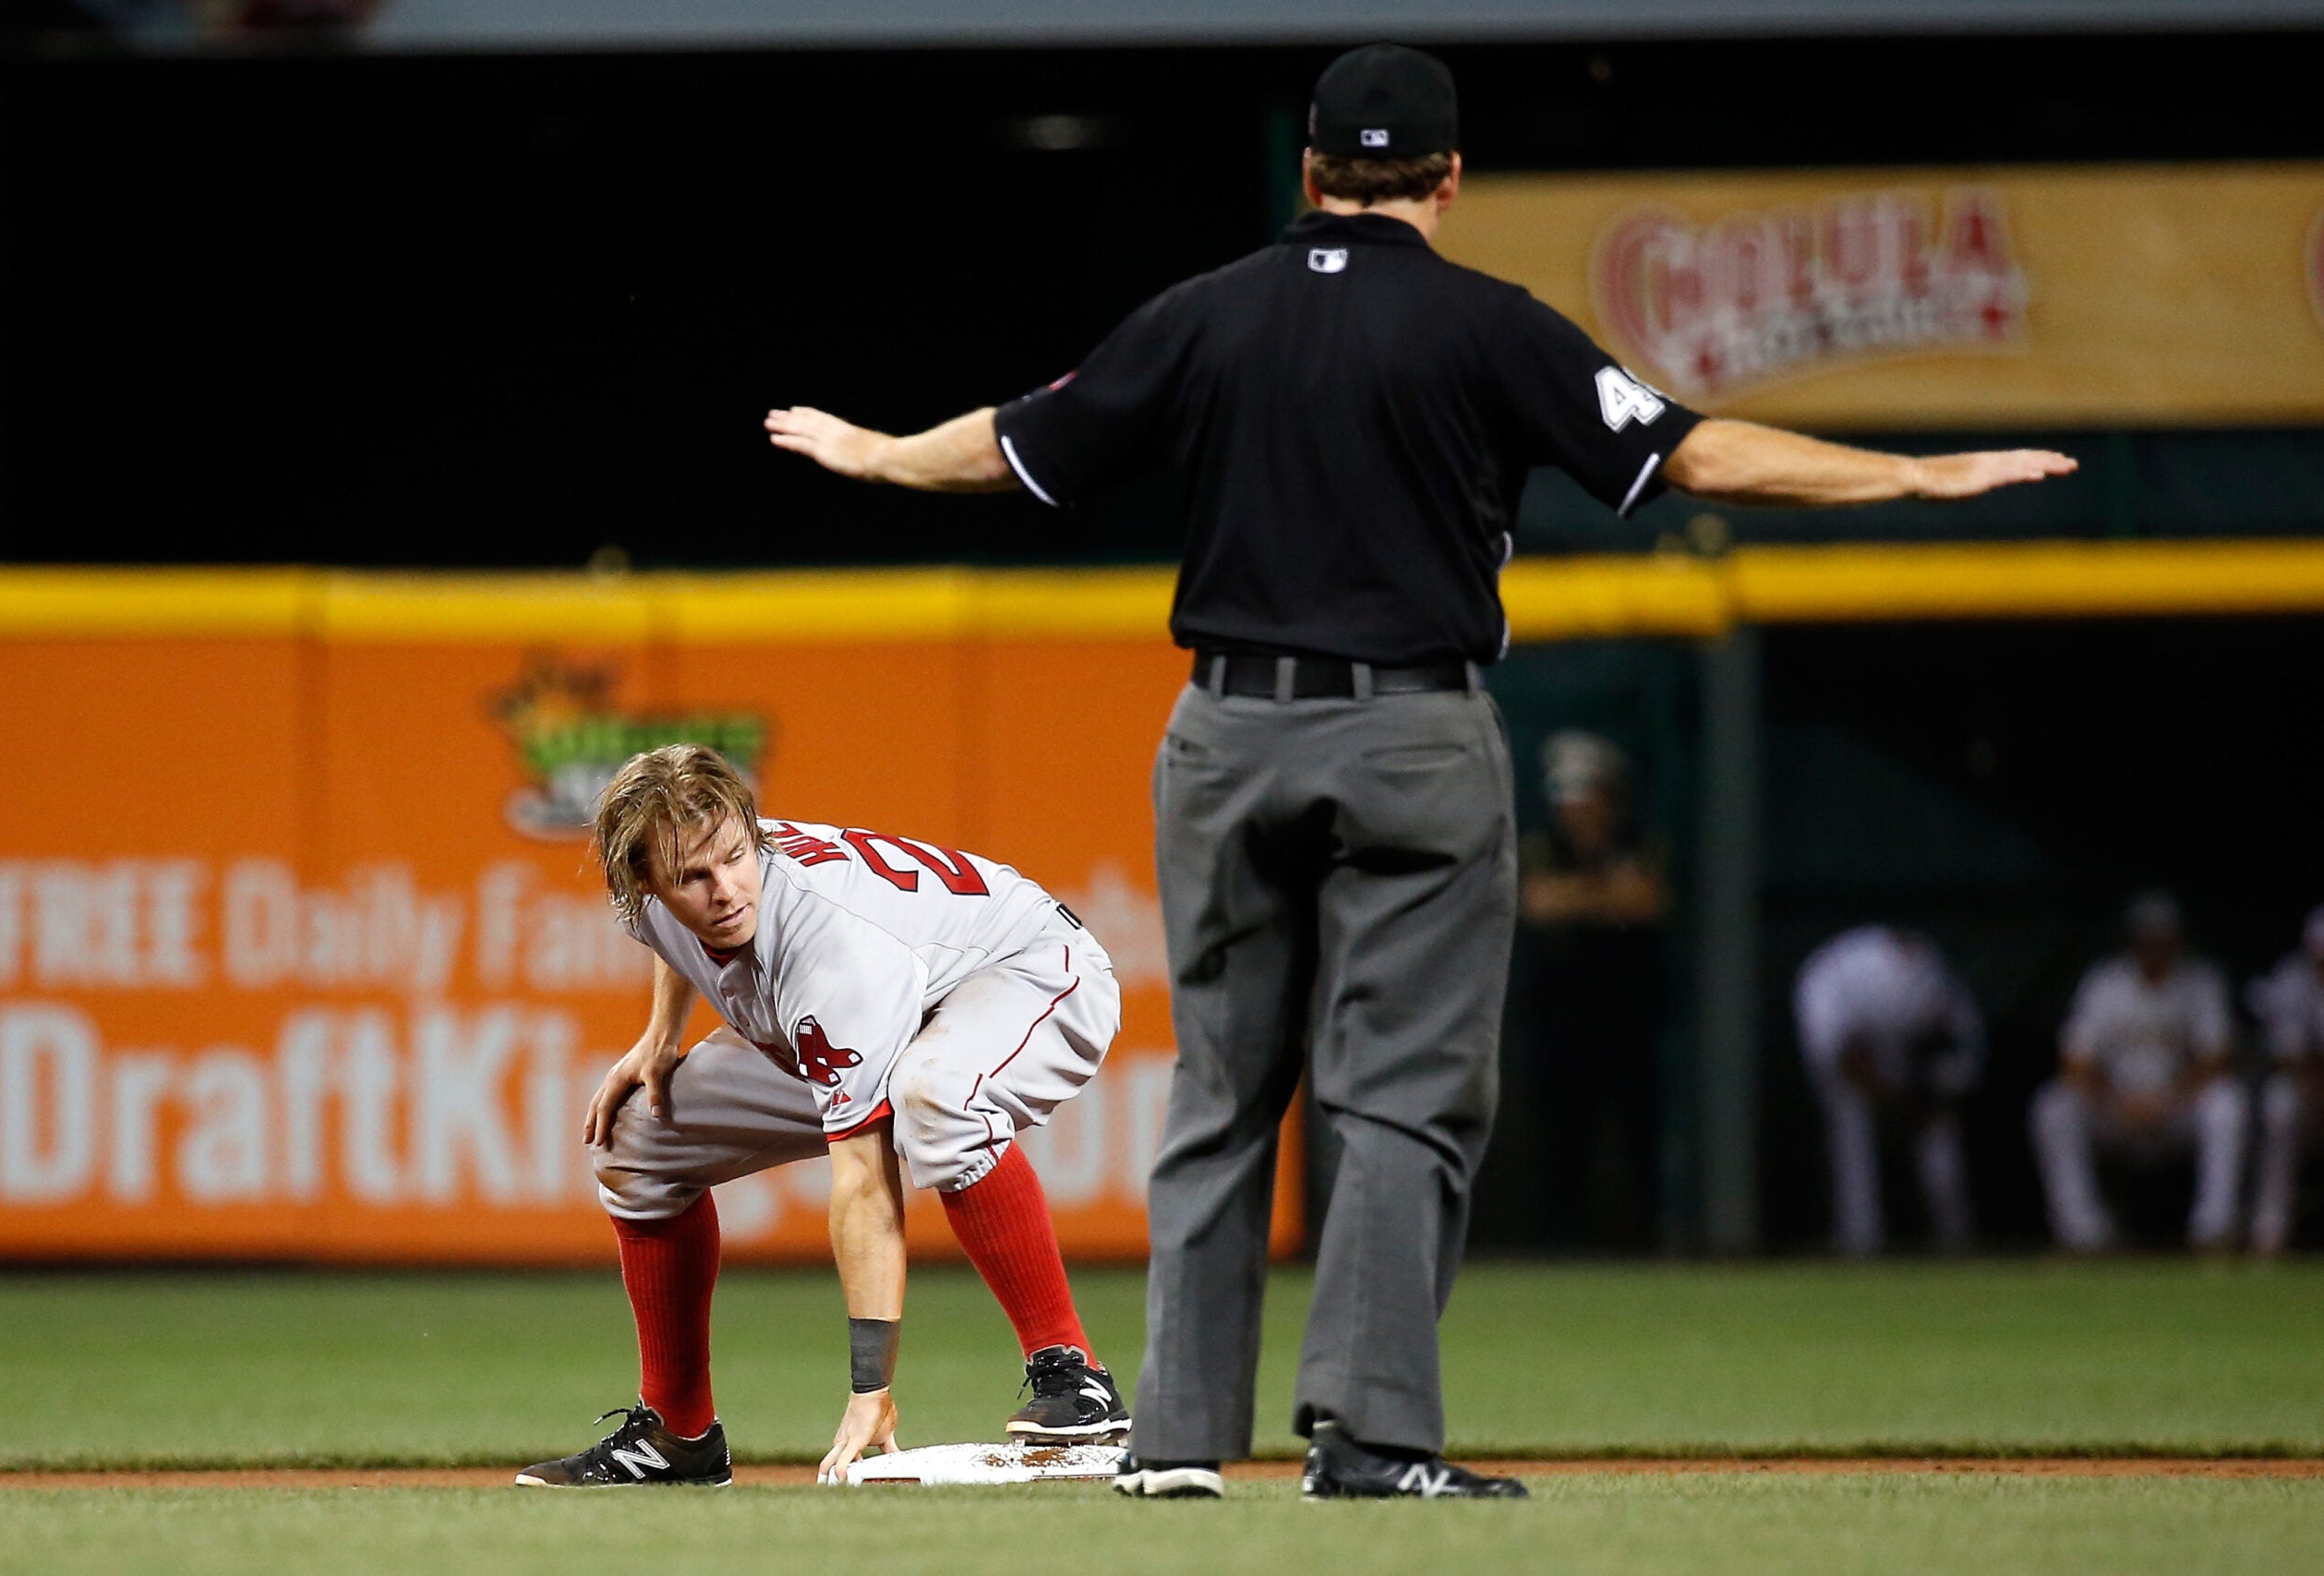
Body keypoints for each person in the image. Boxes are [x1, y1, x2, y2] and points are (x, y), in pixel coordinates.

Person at [765, 42, 2073, 1500]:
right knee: (1399, 1093)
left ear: (1311, 171)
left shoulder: (1206, 316)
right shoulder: (1490, 327)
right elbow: (1692, 455)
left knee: (1222, 1086)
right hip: (1412, 725)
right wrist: (1911, 475)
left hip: (1227, 728)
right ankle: (1371, 1440)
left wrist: (879, 456)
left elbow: (1016, 444)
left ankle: (1178, 1440)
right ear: (1451, 179)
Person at [515, 744, 1127, 1487]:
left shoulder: (829, 947)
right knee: (639, 1135)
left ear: (751, 829)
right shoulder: (655, 893)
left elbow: (865, 1184)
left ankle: (1074, 1377)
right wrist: (660, 1036)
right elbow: (676, 938)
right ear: (646, 882)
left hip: (1027, 968)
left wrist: (871, 1386)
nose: (724, 889)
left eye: (736, 858)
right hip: (878, 1009)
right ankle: (677, 1436)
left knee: (934, 1096)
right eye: (692, 877)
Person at [1516, 731, 1668, 1251]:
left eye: (1584, 794)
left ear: (1608, 794)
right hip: (1560, 1017)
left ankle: (1646, 1246)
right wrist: (1607, 896)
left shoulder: (1639, 840)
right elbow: (1538, 903)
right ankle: (1561, 1249)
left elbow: (1647, 900)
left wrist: (1582, 897)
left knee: (1638, 1138)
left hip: (1628, 1016)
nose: (1573, 808)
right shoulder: (1541, 846)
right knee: (1562, 1140)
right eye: (1564, 797)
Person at [2030, 892, 2244, 1251]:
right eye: (2147, 939)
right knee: (2053, 1106)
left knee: (2227, 1103)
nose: (2155, 948)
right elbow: (2074, 1061)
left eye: (2163, 939)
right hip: (2115, 1108)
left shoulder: (2201, 980)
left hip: (2178, 1108)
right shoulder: (2106, 982)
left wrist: (2169, 1097)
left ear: (2177, 939)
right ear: (2133, 939)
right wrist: (2116, 1099)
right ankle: (2083, 1232)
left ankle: (2214, 1227)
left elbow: (2217, 1057)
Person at [1792, 926, 1984, 1256]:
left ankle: (1956, 1241)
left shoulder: (1935, 976)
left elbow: (1963, 1057)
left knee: (1939, 1135)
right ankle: (1860, 1244)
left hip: (1910, 1065)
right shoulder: (1832, 977)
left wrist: (1922, 1096)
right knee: (1850, 1134)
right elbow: (1842, 1057)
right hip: (1852, 1059)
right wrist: (1893, 1095)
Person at [2248, 905, 2324, 1256]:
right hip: (2310, 1094)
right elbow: (2289, 1057)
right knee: (2281, 1101)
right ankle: (2270, 1230)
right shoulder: (2293, 980)